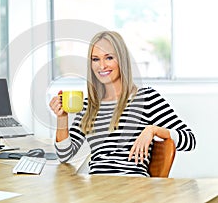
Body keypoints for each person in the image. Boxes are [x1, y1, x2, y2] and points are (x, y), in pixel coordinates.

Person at [49, 31, 196, 177]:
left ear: (121, 60)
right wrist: (62, 118)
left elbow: (189, 140)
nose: (102, 66)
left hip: (132, 187)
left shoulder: (145, 98)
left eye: (109, 58)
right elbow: (65, 155)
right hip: (96, 188)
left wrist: (153, 130)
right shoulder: (89, 105)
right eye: (95, 59)